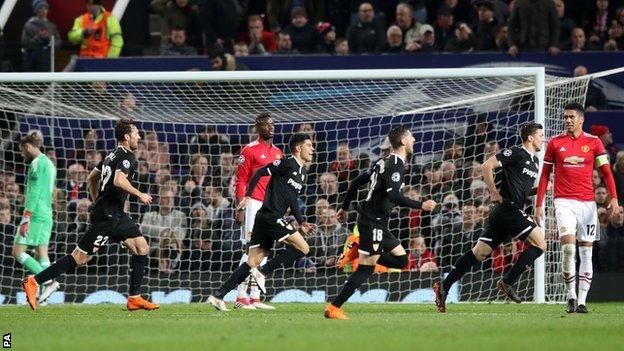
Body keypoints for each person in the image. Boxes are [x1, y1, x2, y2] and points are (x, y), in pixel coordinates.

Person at [21, 119, 159, 312]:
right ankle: (34, 281)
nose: (139, 136)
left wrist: (97, 200)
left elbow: (91, 177)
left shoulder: (110, 155)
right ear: (127, 137)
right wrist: (140, 194)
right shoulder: (127, 157)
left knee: (142, 247)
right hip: (108, 217)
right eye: (136, 133)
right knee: (79, 258)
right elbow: (119, 180)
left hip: (116, 214)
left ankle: (134, 297)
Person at [324, 126, 437, 320]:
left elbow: (355, 182)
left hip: (378, 222)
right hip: (372, 222)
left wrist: (344, 207)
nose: (414, 140)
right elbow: (393, 195)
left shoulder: (383, 162)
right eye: (411, 137)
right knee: (367, 268)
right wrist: (421, 204)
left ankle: (358, 247)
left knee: (402, 260)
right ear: (403, 141)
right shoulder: (396, 163)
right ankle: (334, 307)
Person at [433, 122, 547, 312]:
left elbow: (520, 190)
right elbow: (487, 166)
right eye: (541, 135)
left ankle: (444, 287)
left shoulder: (534, 162)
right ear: (530, 138)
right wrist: (493, 193)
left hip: (506, 212)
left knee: (479, 253)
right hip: (507, 209)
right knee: (540, 244)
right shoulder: (516, 152)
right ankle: (508, 281)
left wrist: (538, 189)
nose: (543, 139)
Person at [207, 133, 316, 311]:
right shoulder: (286, 163)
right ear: (298, 148)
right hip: (270, 216)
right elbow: (259, 172)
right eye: (309, 145)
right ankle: (264, 273)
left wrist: (301, 221)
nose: (312, 149)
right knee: (304, 248)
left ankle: (218, 295)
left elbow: (291, 198)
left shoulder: (302, 173)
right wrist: (248, 195)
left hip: (266, 218)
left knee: (252, 261)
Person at [535, 103, 619, 314]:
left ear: (581, 119)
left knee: (586, 253)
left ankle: (582, 301)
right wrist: (538, 204)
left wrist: (614, 198)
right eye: (565, 117)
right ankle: (570, 295)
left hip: (587, 204)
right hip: (564, 202)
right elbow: (545, 175)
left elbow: (607, 172)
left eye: (571, 117)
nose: (568, 120)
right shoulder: (555, 143)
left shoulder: (594, 142)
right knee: (568, 249)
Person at [233, 113, 283, 309]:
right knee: (250, 250)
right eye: (266, 124)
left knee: (265, 250)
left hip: (271, 206)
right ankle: (240, 296)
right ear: (257, 127)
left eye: (272, 124)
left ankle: (255, 297)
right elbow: (241, 180)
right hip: (253, 203)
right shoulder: (249, 150)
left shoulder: (278, 153)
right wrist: (241, 206)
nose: (271, 127)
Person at [12, 132, 58, 304]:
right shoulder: (50, 164)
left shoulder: (37, 164)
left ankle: (49, 282)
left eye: (22, 151)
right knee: (41, 254)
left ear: (28, 146)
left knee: (17, 252)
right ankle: (42, 299)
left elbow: (35, 191)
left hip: (36, 214)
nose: (22, 154)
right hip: (46, 213)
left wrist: (27, 216)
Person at [21, 0, 61, 72]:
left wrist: (48, 38)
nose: (44, 11)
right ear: (36, 10)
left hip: (48, 62)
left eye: (45, 8)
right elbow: (25, 44)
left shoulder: (52, 26)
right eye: (40, 8)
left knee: (47, 82)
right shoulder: (29, 25)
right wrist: (39, 37)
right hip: (33, 64)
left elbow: (58, 43)